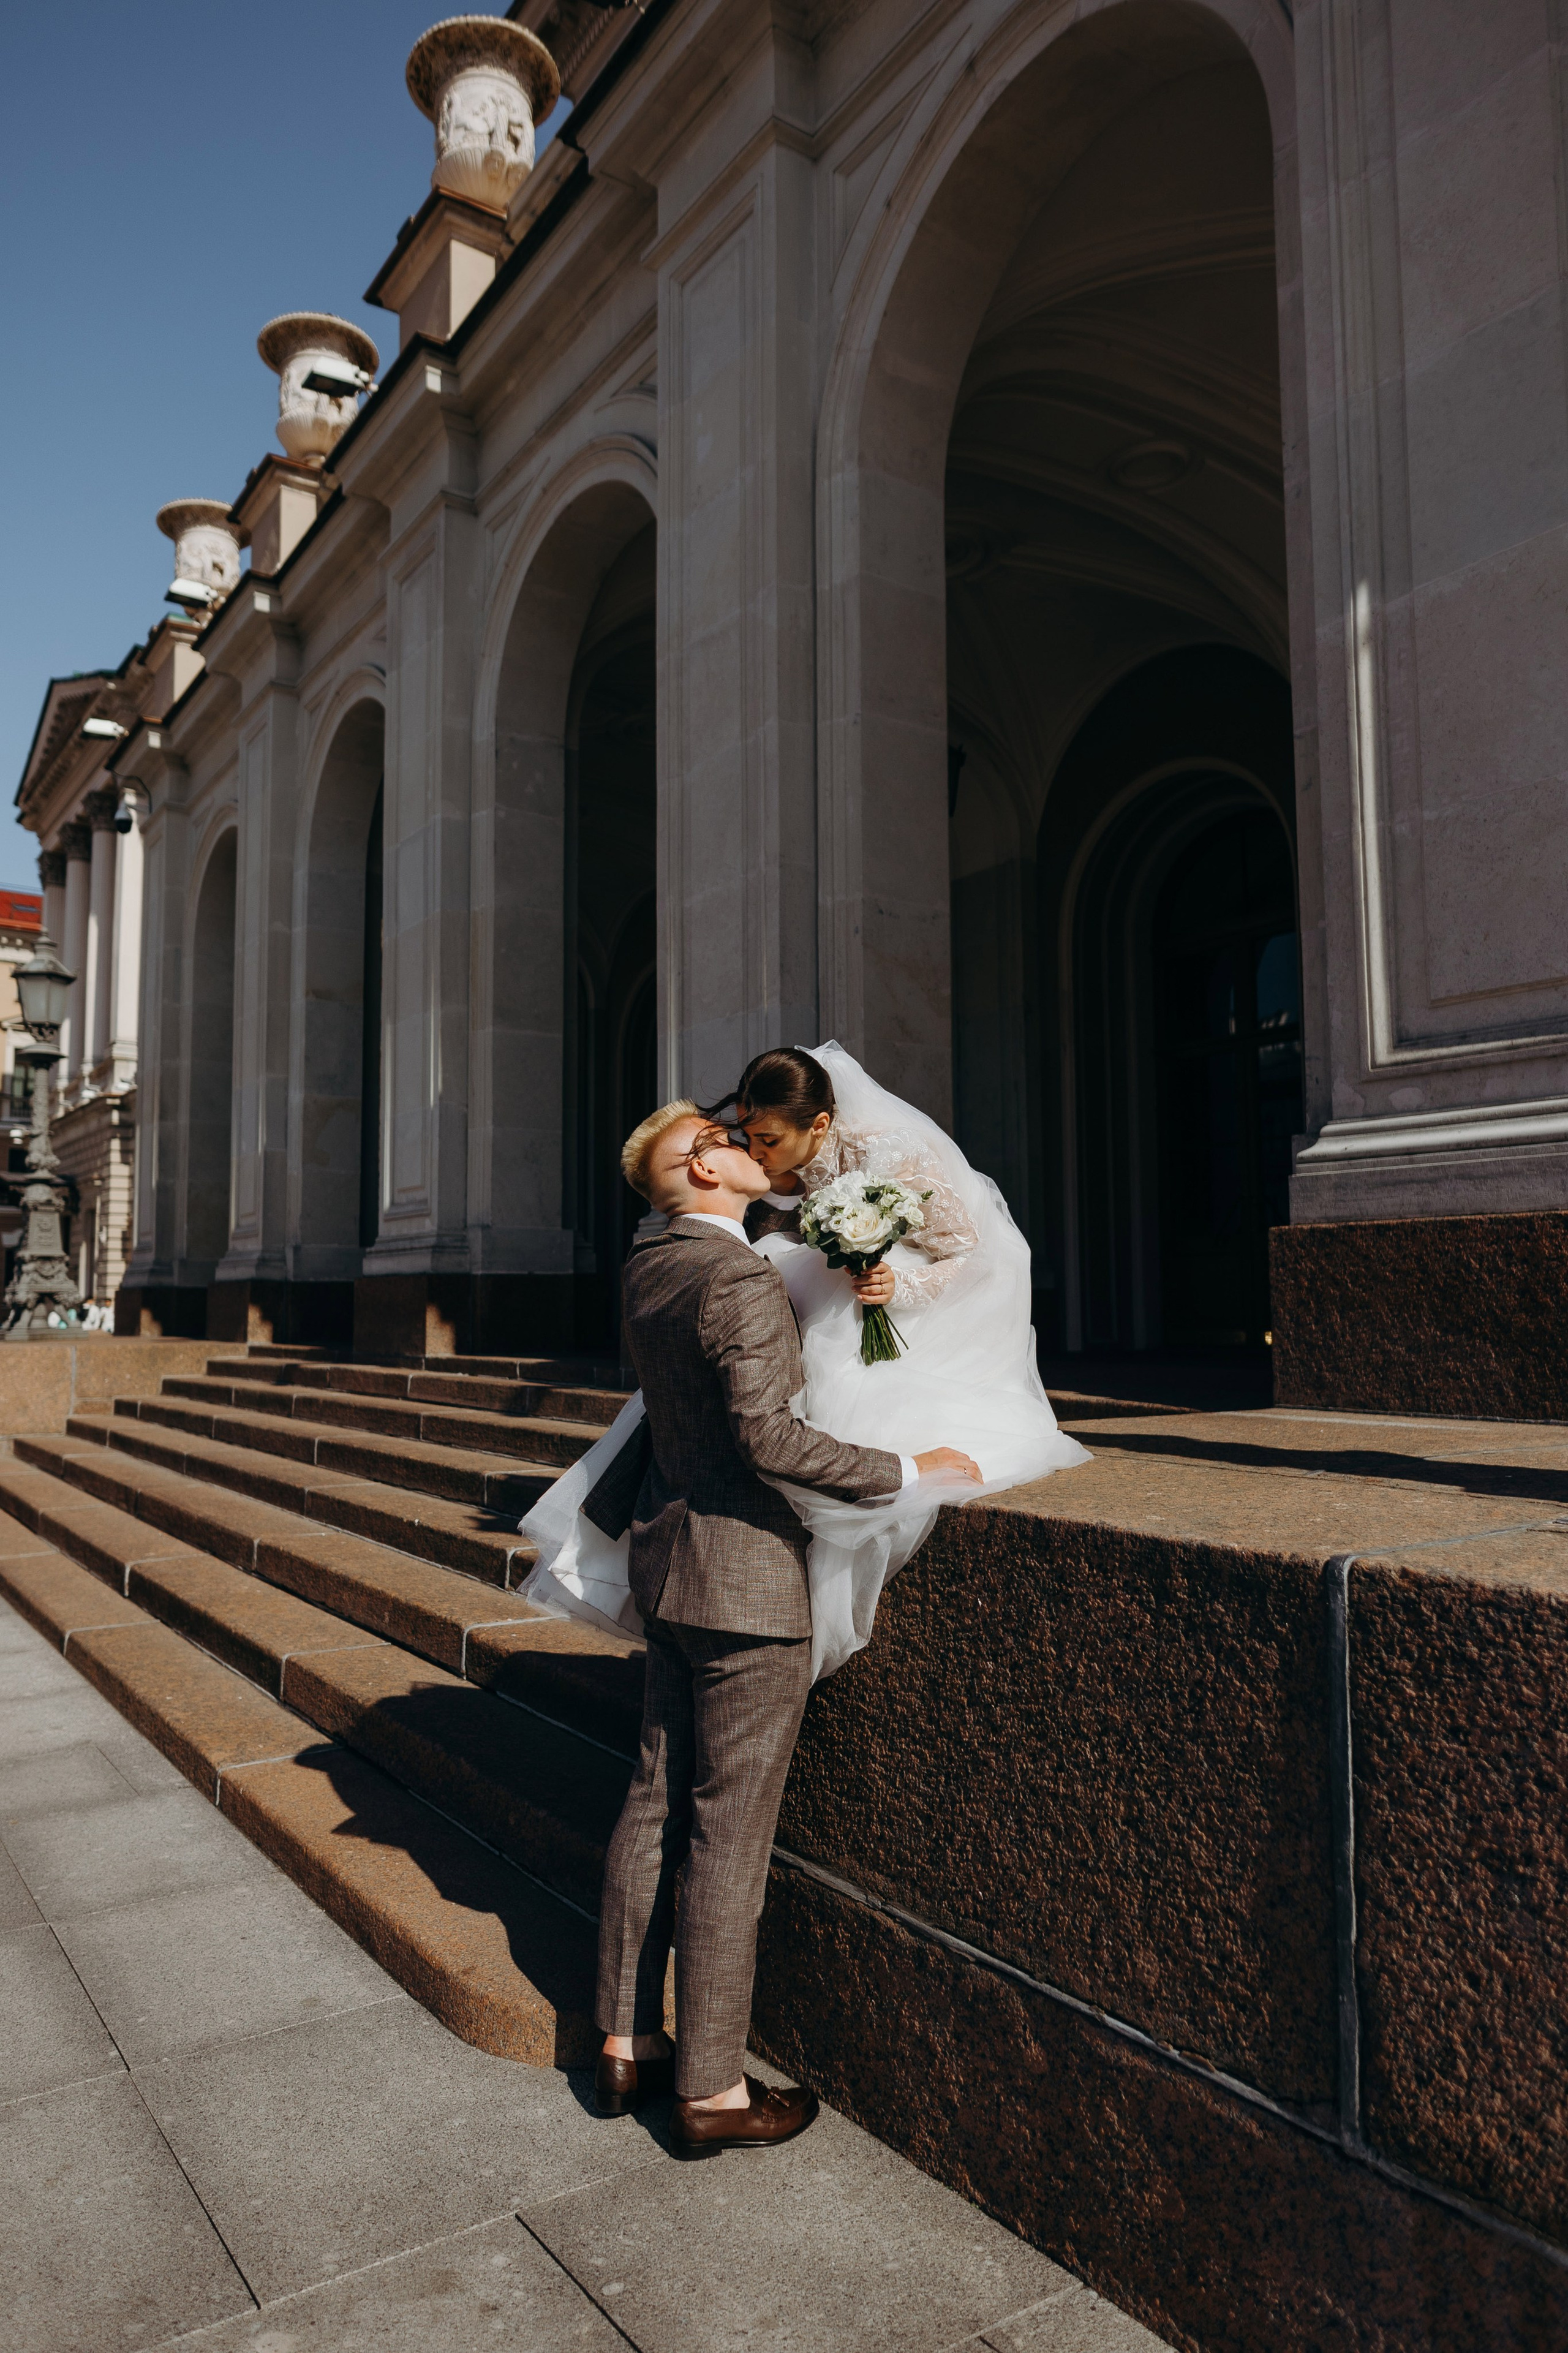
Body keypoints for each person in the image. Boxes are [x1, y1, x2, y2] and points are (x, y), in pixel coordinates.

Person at [586, 1102, 981, 2155]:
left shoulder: (652, 1266)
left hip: (668, 1562)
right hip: (746, 1585)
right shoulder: (734, 1276)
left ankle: (624, 2035)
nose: (736, 1134)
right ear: (702, 1165)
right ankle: (711, 2090)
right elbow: (771, 1438)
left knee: (652, 1797)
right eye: (716, 1129)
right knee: (727, 1835)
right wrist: (909, 1470)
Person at [523, 1043, 1090, 1679]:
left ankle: (765, 1572)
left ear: (817, 1126)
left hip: (904, 1318)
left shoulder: (893, 1150)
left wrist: (897, 1287)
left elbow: (981, 1257)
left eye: (767, 1138)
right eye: (747, 1137)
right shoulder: (773, 1173)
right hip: (815, 1300)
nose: (757, 1151)